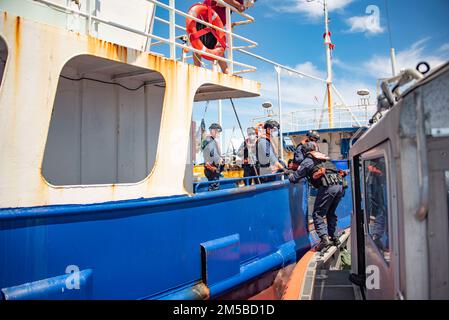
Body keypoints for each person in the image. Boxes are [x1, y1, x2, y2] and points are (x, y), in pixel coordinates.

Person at [288, 142, 347, 251]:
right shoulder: (324, 157)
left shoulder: (307, 161)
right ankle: (334, 237)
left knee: (317, 214)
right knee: (330, 212)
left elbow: (295, 177)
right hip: (339, 185)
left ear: (305, 152)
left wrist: (289, 175)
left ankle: (324, 240)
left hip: (328, 186)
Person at [193, 0, 250, 74]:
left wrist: (238, 6)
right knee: (198, 42)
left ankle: (226, 71)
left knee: (218, 47)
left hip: (217, 25)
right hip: (206, 18)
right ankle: (197, 68)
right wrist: (238, 5)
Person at [202, 123, 224, 191]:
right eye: (218, 132)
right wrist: (221, 160)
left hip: (208, 168)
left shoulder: (207, 140)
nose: (218, 134)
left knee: (212, 185)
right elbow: (213, 154)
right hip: (212, 169)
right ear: (213, 131)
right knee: (214, 187)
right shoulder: (211, 141)